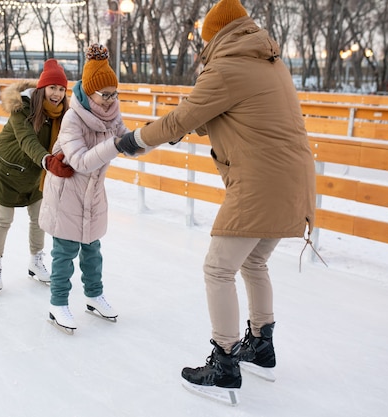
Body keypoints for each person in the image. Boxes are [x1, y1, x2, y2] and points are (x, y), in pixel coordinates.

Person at [115, 0, 316, 404]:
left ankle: (224, 364)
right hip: (294, 180)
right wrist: (190, 124)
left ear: (215, 36)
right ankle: (261, 346)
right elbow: (233, 113)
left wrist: (134, 141)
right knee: (253, 261)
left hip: (261, 182)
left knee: (218, 268)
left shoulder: (225, 67)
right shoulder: (266, 61)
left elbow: (182, 117)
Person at [39, 44, 130, 332]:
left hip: (93, 195)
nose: (110, 100)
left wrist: (158, 134)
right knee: (64, 253)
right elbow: (79, 161)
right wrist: (114, 146)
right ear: (89, 92)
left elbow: (129, 141)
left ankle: (94, 296)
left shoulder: (112, 114)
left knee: (93, 251)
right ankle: (58, 304)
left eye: (114, 93)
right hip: (67, 194)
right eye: (105, 95)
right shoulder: (73, 118)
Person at [0, 59, 75, 292]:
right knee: (4, 219)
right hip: (3, 169)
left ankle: (36, 261)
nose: (57, 94)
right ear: (42, 88)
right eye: (53, 88)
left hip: (34, 172)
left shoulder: (63, 114)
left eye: (62, 89)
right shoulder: (21, 109)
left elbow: (73, 137)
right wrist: (48, 161)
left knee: (39, 216)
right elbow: (27, 140)